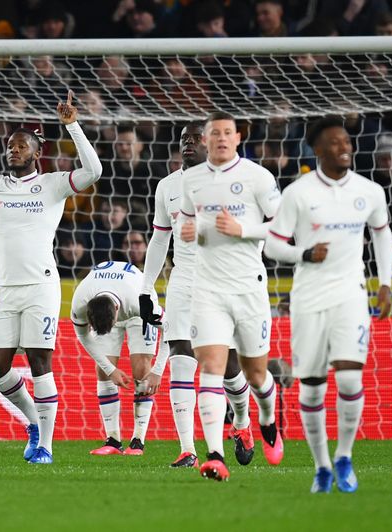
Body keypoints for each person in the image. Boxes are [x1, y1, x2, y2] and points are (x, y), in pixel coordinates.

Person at [0, 88, 102, 464]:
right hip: (5, 289)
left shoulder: (53, 185)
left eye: (22, 146)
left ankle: (46, 446)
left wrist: (73, 126)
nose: (14, 150)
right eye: (10, 146)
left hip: (41, 286)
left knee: (40, 362)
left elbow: (94, 171)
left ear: (37, 153)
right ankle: (33, 422)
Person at [264, 117, 392, 494]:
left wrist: (385, 283)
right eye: (335, 142)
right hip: (308, 298)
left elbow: (382, 233)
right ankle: (321, 467)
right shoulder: (298, 193)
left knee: (351, 378)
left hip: (352, 293)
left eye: (347, 141)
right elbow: (272, 245)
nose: (344, 147)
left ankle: (344, 457)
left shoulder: (369, 191)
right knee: (312, 389)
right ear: (318, 149)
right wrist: (304, 253)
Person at [141, 124, 256, 469]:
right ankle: (187, 449)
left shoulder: (229, 182)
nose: (188, 143)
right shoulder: (167, 187)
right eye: (184, 139)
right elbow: (160, 239)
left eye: (196, 139)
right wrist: (146, 288)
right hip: (183, 279)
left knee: (229, 366)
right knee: (180, 355)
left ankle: (242, 421)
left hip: (221, 279)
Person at [178, 111, 283, 481]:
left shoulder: (258, 177)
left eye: (227, 132)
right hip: (207, 289)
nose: (221, 138)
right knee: (211, 368)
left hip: (248, 287)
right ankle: (215, 456)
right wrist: (192, 231)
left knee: (256, 374)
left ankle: (267, 419)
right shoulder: (191, 180)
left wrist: (243, 229)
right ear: (205, 139)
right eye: (214, 133)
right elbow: (190, 222)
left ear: (238, 138)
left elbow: (284, 228)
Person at [71, 261, 162, 456]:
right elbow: (83, 336)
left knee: (141, 369)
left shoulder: (140, 303)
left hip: (138, 309)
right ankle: (112, 440)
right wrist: (110, 370)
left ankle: (138, 441)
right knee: (103, 370)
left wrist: (158, 370)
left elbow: (171, 331)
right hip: (111, 298)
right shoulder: (80, 301)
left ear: (116, 311)